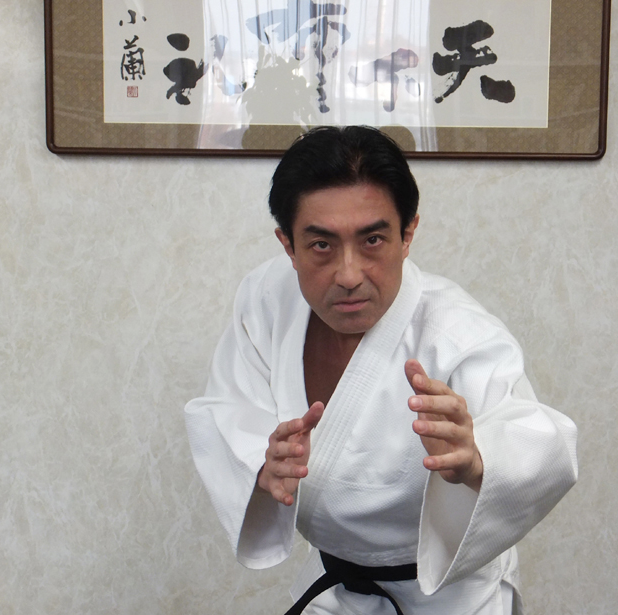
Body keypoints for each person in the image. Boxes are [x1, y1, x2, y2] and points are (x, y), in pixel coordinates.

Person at [184, 126, 578, 615]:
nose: (349, 275)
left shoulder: (457, 334)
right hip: (335, 590)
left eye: (372, 239)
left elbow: (547, 445)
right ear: (288, 245)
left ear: (407, 235)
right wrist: (263, 464)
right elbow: (228, 406)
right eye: (321, 245)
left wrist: (478, 459)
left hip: (449, 600)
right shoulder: (268, 299)